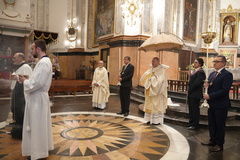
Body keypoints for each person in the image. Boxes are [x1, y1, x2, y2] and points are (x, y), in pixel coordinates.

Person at [19, 39, 54, 160]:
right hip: (38, 97)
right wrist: (29, 80)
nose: (31, 51)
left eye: (32, 49)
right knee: (39, 125)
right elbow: (37, 79)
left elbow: (38, 82)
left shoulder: (44, 63)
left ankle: (38, 152)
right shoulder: (43, 62)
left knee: (37, 125)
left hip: (38, 99)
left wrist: (25, 81)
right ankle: (40, 149)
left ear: (38, 49)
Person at [201, 55, 233, 152]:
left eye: (217, 61)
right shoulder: (212, 74)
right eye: (214, 61)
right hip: (212, 103)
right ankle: (212, 140)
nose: (214, 63)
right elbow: (210, 85)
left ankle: (219, 143)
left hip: (221, 104)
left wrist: (211, 96)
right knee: (212, 123)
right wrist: (206, 86)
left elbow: (224, 90)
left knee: (219, 125)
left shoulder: (227, 74)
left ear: (223, 63)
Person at [140, 57, 168, 125]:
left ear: (158, 62)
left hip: (157, 93)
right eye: (152, 61)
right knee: (149, 105)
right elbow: (144, 78)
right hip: (150, 91)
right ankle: (149, 119)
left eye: (154, 61)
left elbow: (161, 81)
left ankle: (156, 121)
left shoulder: (161, 70)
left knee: (156, 106)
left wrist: (152, 78)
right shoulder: (150, 69)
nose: (152, 63)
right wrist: (149, 77)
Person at [10, 53, 32, 139]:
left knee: (20, 111)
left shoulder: (25, 67)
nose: (13, 59)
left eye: (15, 58)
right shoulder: (20, 67)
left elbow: (27, 79)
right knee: (16, 111)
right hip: (17, 92)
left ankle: (21, 131)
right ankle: (17, 128)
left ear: (20, 58)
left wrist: (17, 78)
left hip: (21, 94)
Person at [187, 58, 206, 130]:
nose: (194, 64)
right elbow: (191, 82)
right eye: (194, 62)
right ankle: (191, 122)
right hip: (192, 93)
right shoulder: (195, 72)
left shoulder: (200, 72)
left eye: (196, 62)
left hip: (195, 94)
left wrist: (189, 90)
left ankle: (195, 124)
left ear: (200, 64)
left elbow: (196, 84)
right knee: (191, 109)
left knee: (194, 110)